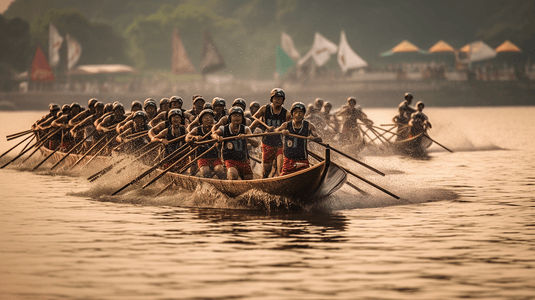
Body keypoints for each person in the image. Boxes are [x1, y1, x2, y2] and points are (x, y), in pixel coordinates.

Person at [249, 88, 292, 178]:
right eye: (275, 98)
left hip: (279, 143)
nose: (277, 101)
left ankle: (280, 178)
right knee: (266, 171)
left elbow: (291, 128)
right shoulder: (264, 109)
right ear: (271, 99)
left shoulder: (286, 114)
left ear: (283, 101)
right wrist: (249, 130)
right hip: (267, 143)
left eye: (279, 99)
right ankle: (265, 181)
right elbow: (255, 118)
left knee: (280, 167)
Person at [213, 107, 259, 180]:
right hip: (229, 160)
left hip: (243, 160)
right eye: (234, 116)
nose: (237, 118)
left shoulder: (245, 129)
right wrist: (217, 137)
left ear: (242, 118)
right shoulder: (223, 129)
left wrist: (247, 137)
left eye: (239, 116)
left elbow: (256, 144)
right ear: (230, 118)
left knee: (249, 179)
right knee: (233, 173)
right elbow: (214, 134)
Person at [277, 102, 321, 176]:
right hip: (288, 161)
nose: (298, 115)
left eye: (300, 112)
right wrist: (282, 132)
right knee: (283, 177)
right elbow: (275, 131)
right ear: (292, 114)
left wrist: (313, 138)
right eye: (296, 112)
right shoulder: (286, 125)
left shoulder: (309, 126)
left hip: (302, 161)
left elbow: (319, 139)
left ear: (304, 114)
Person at [185, 109, 225, 178]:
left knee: (220, 170)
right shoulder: (197, 129)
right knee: (205, 172)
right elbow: (187, 137)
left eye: (210, 117)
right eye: (205, 117)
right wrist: (195, 137)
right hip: (203, 158)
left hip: (215, 158)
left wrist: (219, 137)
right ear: (201, 120)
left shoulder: (216, 129)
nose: (208, 119)